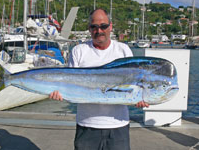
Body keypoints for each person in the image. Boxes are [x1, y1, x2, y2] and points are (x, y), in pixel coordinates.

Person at [50, 8, 149, 150]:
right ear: (89, 29)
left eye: (103, 26)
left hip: (118, 125)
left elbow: (132, 84)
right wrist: (59, 92)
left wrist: (139, 98)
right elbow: (69, 84)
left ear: (110, 26)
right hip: (87, 125)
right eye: (94, 27)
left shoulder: (123, 50)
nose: (99, 30)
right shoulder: (79, 51)